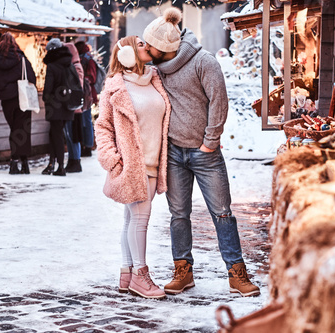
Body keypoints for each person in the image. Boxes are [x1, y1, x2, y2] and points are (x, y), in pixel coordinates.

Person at [143, 8, 261, 297]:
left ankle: (237, 274)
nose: (145, 48)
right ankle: (183, 272)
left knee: (222, 213)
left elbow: (219, 102)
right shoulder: (156, 70)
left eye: (149, 45)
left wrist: (210, 141)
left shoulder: (204, 62)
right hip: (173, 154)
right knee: (178, 214)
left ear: (163, 48)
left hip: (205, 153)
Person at [95, 36, 171, 299]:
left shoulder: (154, 79)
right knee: (140, 218)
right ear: (127, 53)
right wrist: (112, 160)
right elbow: (103, 127)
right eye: (139, 44)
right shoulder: (115, 87)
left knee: (131, 218)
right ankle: (140, 276)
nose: (146, 46)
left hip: (154, 163)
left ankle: (126, 273)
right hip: (131, 166)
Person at [0, 32, 35, 175]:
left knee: (14, 129)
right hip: (22, 97)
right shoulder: (21, 58)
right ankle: (24, 163)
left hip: (7, 99)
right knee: (22, 130)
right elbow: (32, 76)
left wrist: (4, 89)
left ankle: (14, 163)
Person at [41, 38, 77, 176]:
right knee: (56, 134)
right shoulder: (70, 64)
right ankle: (52, 164)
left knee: (56, 135)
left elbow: (48, 87)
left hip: (55, 106)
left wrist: (47, 99)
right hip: (67, 105)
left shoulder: (52, 66)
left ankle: (60, 166)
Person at [62, 42, 85, 173]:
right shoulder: (74, 66)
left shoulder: (76, 67)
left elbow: (77, 85)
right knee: (70, 135)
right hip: (73, 106)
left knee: (74, 135)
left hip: (75, 107)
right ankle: (73, 160)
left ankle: (75, 161)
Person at [75, 41, 97, 157]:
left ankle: (88, 146)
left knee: (86, 120)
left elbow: (92, 77)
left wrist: (80, 80)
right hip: (85, 93)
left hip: (87, 95)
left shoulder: (87, 59)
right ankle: (85, 145)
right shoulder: (84, 58)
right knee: (84, 120)